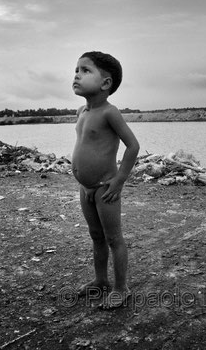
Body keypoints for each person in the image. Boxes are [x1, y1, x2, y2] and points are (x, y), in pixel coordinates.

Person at [71, 51, 140, 309]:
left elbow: (132, 146)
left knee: (114, 239)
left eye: (85, 70)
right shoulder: (81, 111)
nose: (77, 75)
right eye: (76, 70)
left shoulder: (110, 113)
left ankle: (121, 288)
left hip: (105, 188)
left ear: (106, 83)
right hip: (85, 188)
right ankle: (100, 281)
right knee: (95, 235)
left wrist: (120, 180)